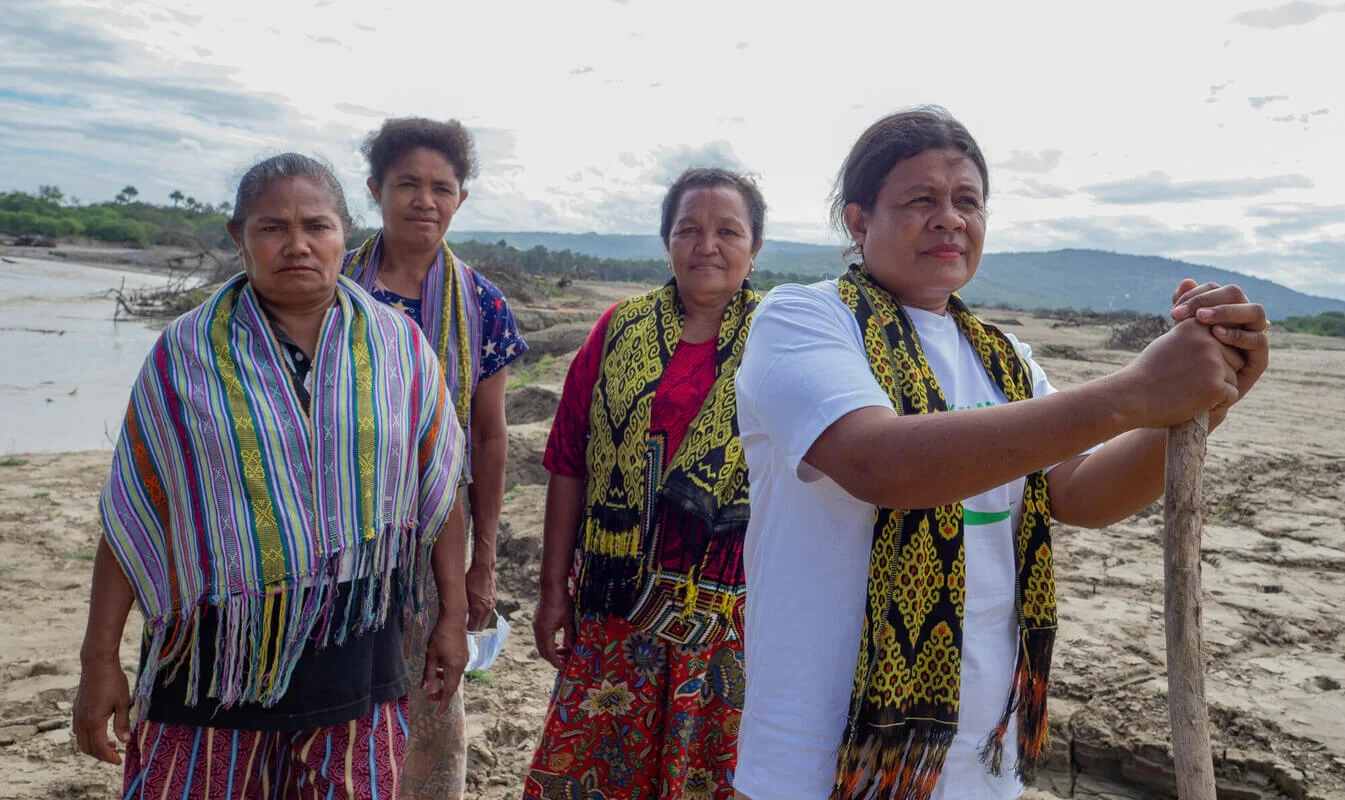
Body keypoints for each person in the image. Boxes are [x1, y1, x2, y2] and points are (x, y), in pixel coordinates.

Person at [733, 108, 1270, 800]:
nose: (949, 218)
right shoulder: (803, 319)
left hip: (979, 748)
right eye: (920, 199)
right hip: (816, 749)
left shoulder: (1004, 359)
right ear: (858, 221)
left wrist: (1211, 398)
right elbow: (882, 465)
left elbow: (1078, 494)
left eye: (967, 201)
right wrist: (1134, 392)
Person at [72, 153, 471, 799]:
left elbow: (440, 488)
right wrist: (99, 662)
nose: (297, 245)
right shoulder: (183, 353)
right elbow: (137, 511)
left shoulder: (400, 350)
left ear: (345, 234)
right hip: (211, 660)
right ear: (239, 237)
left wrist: (451, 617)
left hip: (358, 642)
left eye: (316, 225)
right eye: (271, 228)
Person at [525, 167, 765, 799]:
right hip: (614, 610)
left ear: (755, 247)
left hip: (733, 620)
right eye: (689, 228)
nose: (706, 245)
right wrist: (554, 589)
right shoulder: (618, 330)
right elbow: (568, 459)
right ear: (667, 241)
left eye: (727, 231)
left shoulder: (782, 339)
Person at [343, 116, 528, 800]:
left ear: (460, 199)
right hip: (329, 539)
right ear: (375, 190)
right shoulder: (330, 285)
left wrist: (481, 564)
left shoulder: (480, 304)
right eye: (407, 184)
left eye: (441, 187)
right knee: (329, 706)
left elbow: (486, 437)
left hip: (432, 542)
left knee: (428, 693)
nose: (425, 200)